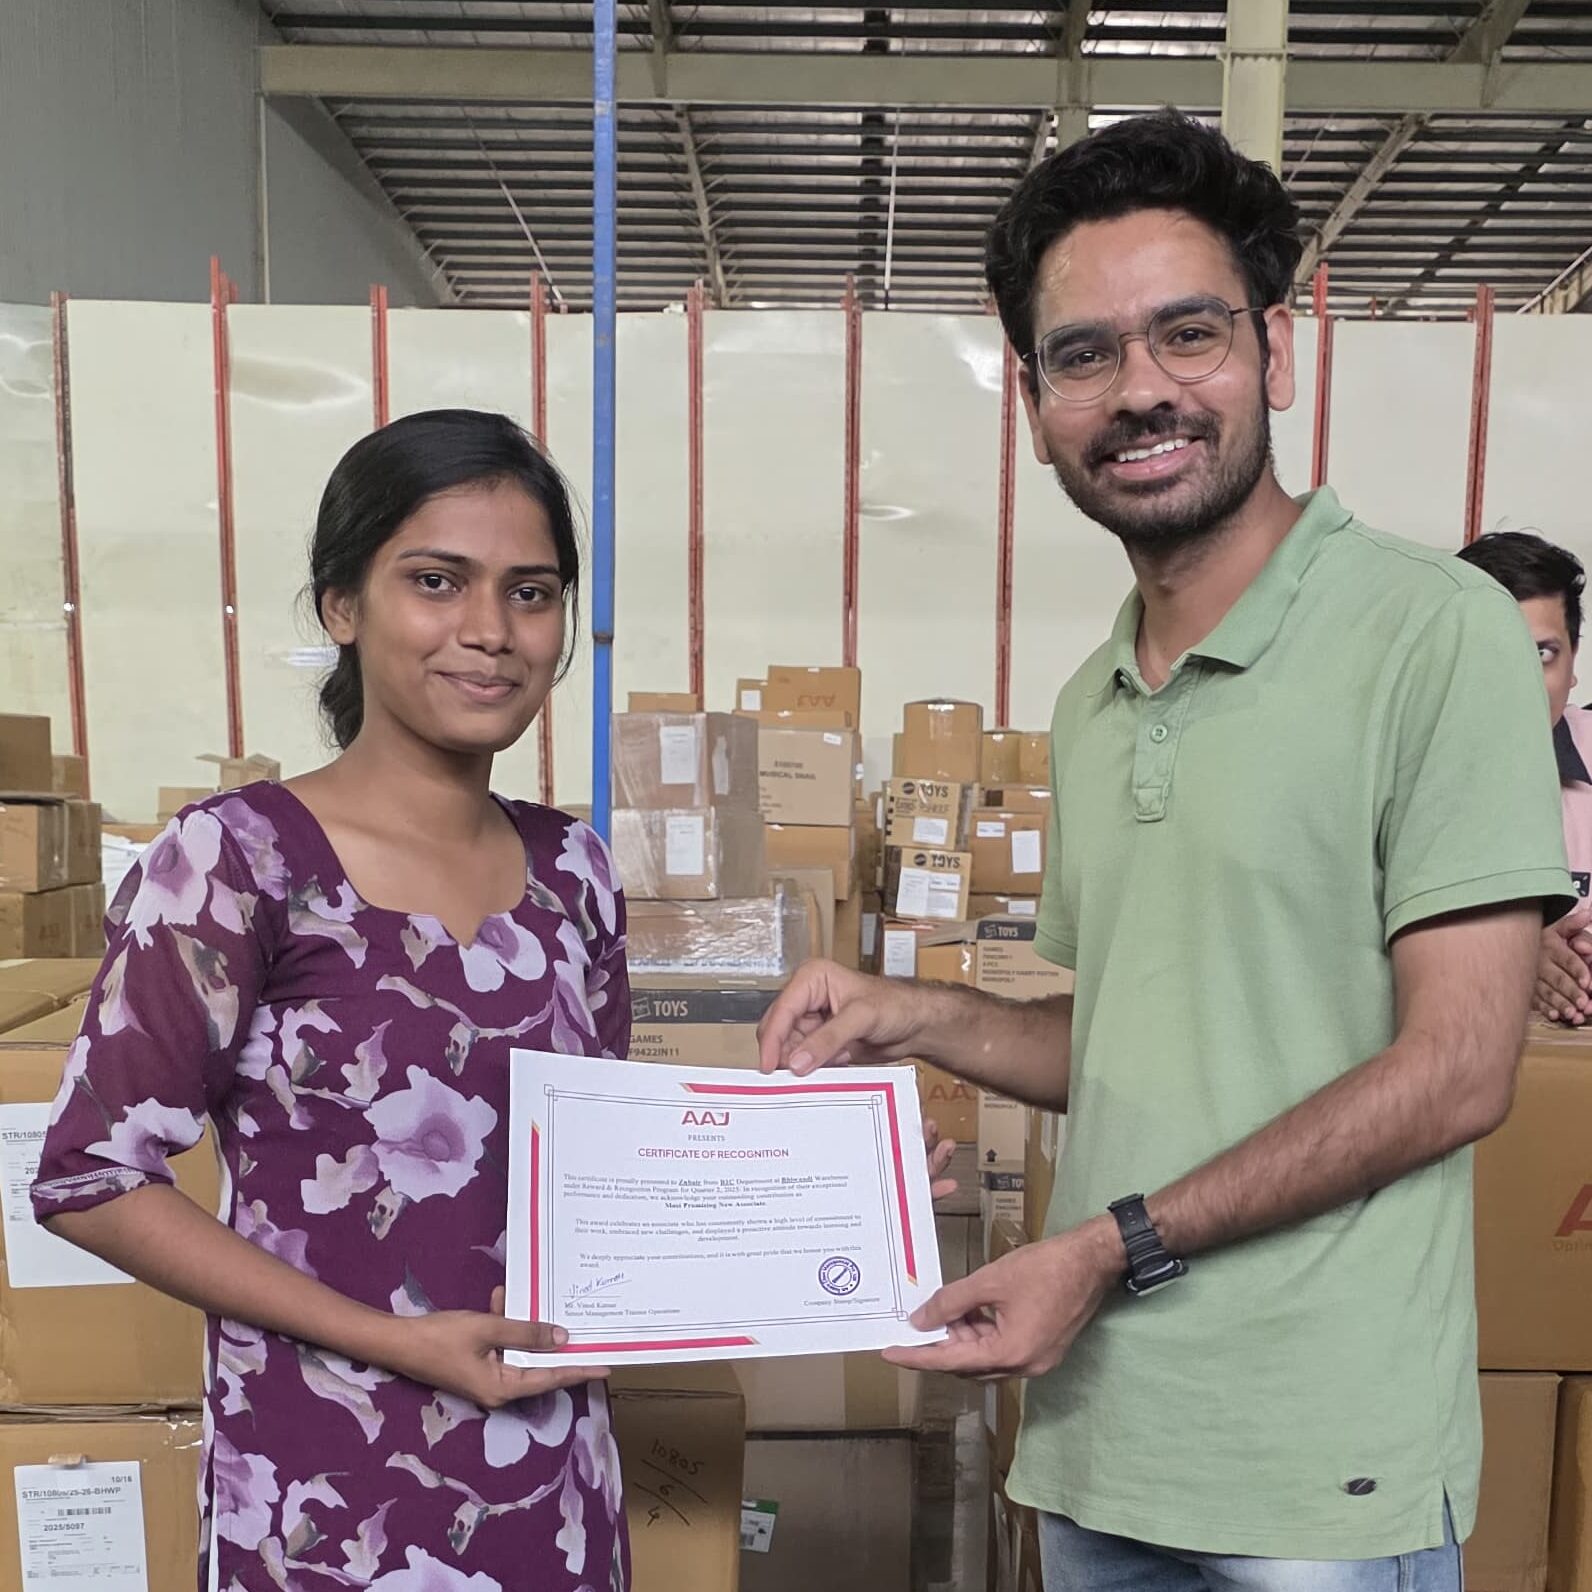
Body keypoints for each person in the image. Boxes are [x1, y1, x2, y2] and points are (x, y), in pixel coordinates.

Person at [759, 112, 1571, 1591]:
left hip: (1318, 1469)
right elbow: (1143, 1042)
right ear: (1033, 395)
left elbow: (1458, 1067)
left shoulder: (1428, 632)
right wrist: (911, 1013)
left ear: (1274, 344)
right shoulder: (1091, 694)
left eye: (1185, 334)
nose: (1141, 392)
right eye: (1084, 355)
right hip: (1104, 1447)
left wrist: (1101, 1251)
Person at [32, 410, 629, 1591]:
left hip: (552, 1484)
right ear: (342, 608)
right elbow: (89, 1177)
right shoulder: (237, 861)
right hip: (326, 1497)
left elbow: (604, 1168)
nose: (488, 631)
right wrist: (396, 1341)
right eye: (435, 580)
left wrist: (829, 1194)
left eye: (531, 591)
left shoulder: (575, 868)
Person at [1456, 530, 1592, 1024]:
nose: (1517, 682)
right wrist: (1506, 953)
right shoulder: (1377, 768)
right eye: (1494, 650)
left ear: (1574, 661)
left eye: (1541, 655)